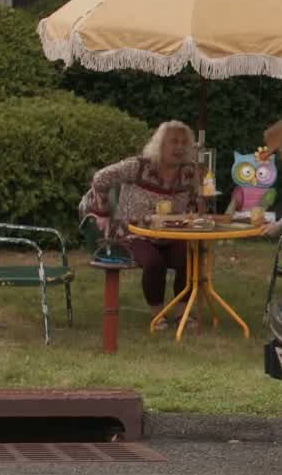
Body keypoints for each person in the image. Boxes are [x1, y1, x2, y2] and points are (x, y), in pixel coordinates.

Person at [86, 119, 203, 330]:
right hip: (133, 233)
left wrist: (196, 213)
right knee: (154, 262)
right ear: (160, 144)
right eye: (173, 141)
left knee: (189, 257)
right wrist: (102, 212)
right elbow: (100, 178)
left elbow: (195, 201)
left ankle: (181, 313)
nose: (179, 147)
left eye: (184, 143)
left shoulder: (189, 171)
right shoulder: (138, 166)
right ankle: (158, 314)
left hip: (172, 234)